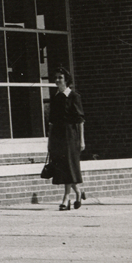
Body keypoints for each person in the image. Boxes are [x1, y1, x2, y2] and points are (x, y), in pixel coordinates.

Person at [45, 67, 86, 210]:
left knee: (69, 166)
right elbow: (51, 122)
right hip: (58, 136)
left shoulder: (74, 97)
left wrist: (81, 140)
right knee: (63, 167)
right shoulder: (55, 98)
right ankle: (79, 192)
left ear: (66, 80)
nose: (57, 80)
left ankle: (66, 198)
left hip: (70, 136)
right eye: (55, 77)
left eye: (60, 77)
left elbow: (80, 120)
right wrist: (50, 141)